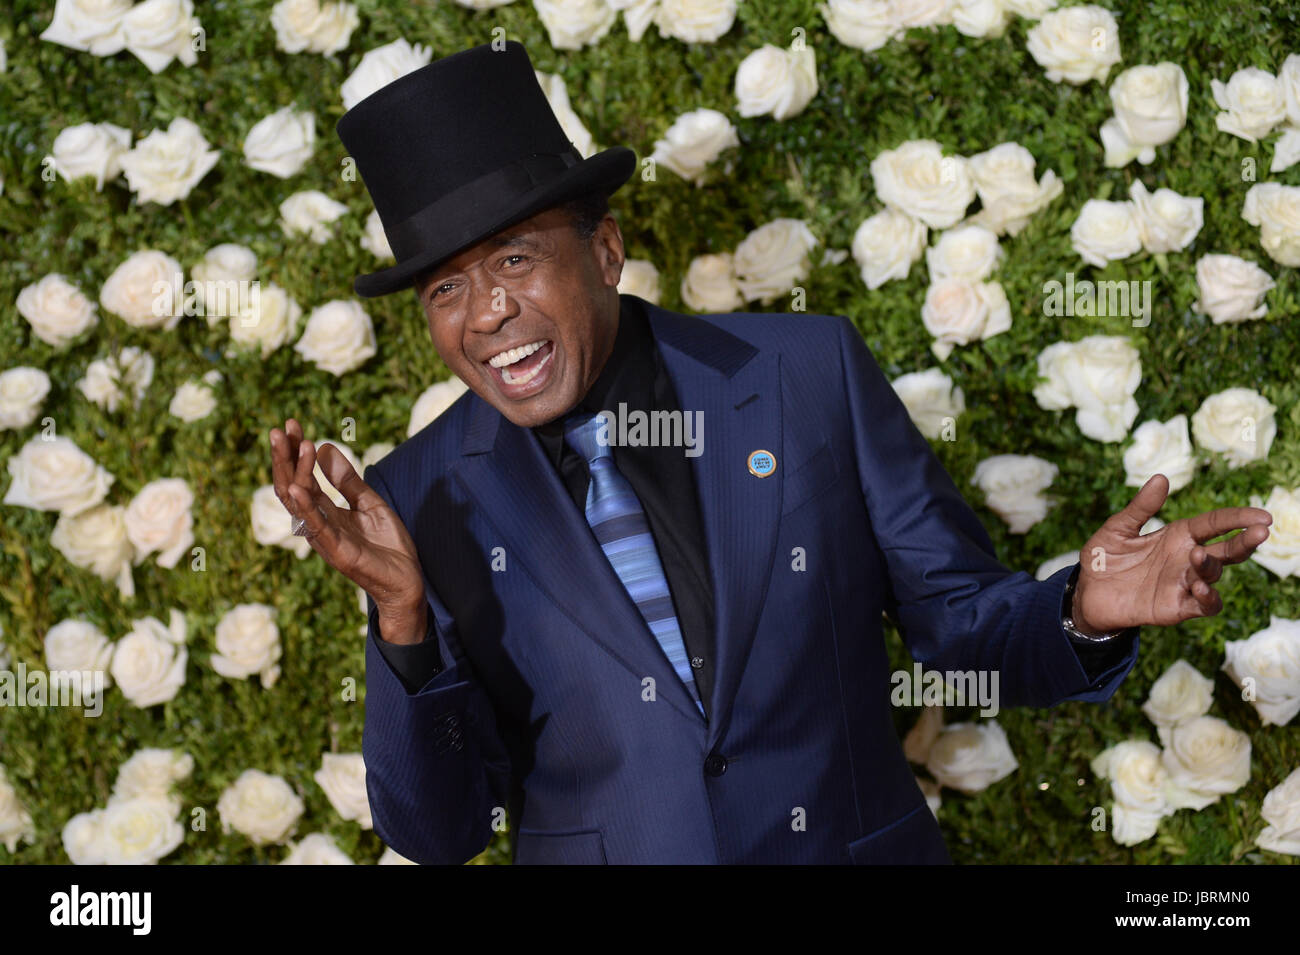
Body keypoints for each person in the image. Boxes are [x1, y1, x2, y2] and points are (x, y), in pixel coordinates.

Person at [268, 41, 1272, 864]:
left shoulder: (806, 374)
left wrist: (1081, 610)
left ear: (605, 253)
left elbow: (959, 627)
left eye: (515, 259)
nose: (487, 312)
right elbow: (436, 832)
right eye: (445, 289)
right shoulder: (419, 497)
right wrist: (400, 624)